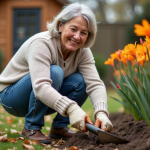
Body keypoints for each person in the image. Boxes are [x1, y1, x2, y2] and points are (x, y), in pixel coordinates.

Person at [0, 2, 113, 144]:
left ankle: (59, 127)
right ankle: (31, 128)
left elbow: (95, 83)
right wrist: (71, 109)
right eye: (73, 29)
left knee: (81, 80)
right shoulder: (41, 43)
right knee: (55, 72)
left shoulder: (83, 52)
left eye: (83, 32)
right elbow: (40, 86)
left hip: (39, 98)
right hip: (11, 97)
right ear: (60, 25)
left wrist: (101, 113)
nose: (77, 37)